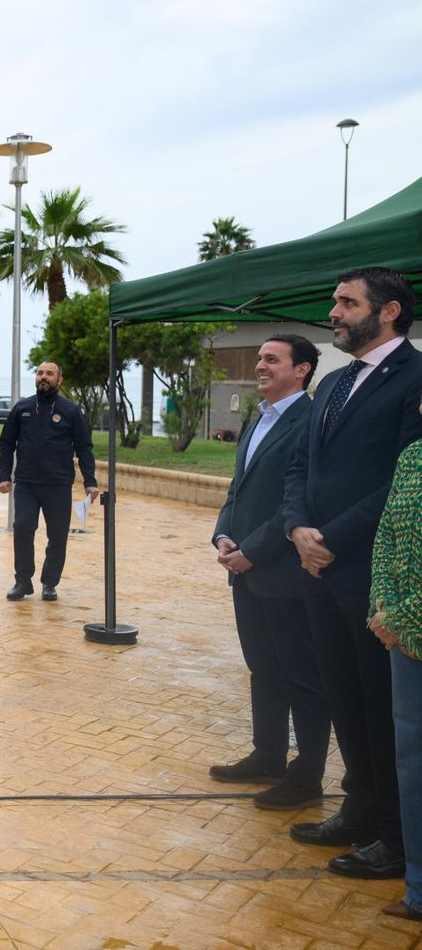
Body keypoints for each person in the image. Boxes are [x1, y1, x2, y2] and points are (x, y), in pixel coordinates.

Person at [282, 266, 422, 880]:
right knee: (343, 699)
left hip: (373, 576)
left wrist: (330, 537)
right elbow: (299, 468)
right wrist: (297, 528)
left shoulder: (415, 380)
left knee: (380, 709)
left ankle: (395, 837)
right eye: (334, 300)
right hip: (318, 571)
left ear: (388, 311)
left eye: (345, 302)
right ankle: (358, 810)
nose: (333, 312)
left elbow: (404, 481)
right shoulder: (335, 383)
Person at [209, 334, 331, 810]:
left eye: (271, 359)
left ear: (301, 370)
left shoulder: (310, 420)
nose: (260, 365)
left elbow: (297, 501)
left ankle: (308, 775)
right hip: (244, 569)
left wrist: (253, 551)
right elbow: (238, 489)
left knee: (302, 675)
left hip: (283, 572)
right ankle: (268, 754)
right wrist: (222, 534)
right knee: (263, 668)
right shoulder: (258, 416)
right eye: (260, 358)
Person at [369, 393, 422, 922]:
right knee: (412, 762)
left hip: (409, 628)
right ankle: (418, 889)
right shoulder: (412, 458)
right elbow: (385, 540)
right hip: (403, 643)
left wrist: (406, 616)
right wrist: (384, 609)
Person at [0, 361, 99, 601]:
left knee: (58, 535)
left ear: (59, 380)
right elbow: (6, 443)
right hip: (27, 484)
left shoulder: (70, 411)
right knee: (22, 527)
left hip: (58, 485)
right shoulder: (22, 408)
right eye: (40, 373)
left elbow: (84, 448)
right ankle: (22, 582)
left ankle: (49, 583)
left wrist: (90, 481)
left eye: (49, 374)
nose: (44, 377)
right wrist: (4, 476)